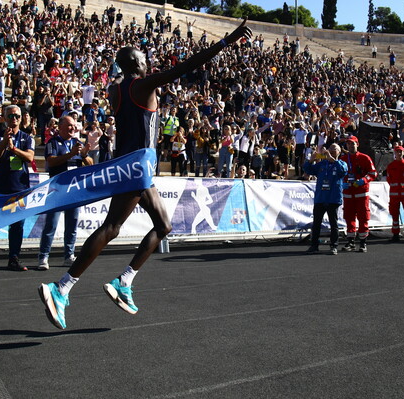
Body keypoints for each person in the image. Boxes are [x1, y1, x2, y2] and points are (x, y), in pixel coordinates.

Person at [39, 19, 252, 330]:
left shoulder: (116, 90)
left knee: (164, 225)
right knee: (111, 226)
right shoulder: (142, 85)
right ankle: (62, 287)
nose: (148, 59)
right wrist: (225, 42)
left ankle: (124, 281)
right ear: (136, 63)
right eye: (143, 57)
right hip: (136, 166)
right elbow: (185, 68)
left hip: (134, 165)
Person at [0, 105, 35, 273]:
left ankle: (14, 259)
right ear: (4, 117)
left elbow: (30, 157)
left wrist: (14, 149)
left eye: (17, 116)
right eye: (10, 116)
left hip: (19, 188)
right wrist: (4, 142)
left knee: (17, 226)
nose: (14, 119)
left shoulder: (26, 137)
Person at [37, 116, 90, 271]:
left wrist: (85, 155)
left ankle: (69, 255)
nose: (72, 129)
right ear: (60, 126)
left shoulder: (77, 144)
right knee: (51, 224)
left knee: (72, 224)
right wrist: (70, 154)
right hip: (57, 190)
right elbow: (51, 162)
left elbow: (91, 165)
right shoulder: (52, 143)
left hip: (74, 191)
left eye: (74, 126)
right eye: (69, 126)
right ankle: (44, 256)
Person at [303, 144, 348, 255]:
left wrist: (333, 160)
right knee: (316, 223)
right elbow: (307, 170)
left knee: (334, 223)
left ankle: (334, 246)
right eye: (330, 149)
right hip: (321, 198)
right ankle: (314, 245)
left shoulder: (342, 163)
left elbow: (342, 172)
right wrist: (311, 160)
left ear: (339, 152)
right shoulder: (322, 164)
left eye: (334, 149)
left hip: (333, 198)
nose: (332, 151)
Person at [340, 136, 377, 252]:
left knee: (363, 217)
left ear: (357, 144)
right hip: (348, 193)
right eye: (348, 144)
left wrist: (363, 180)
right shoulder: (343, 159)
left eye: (353, 144)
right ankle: (350, 241)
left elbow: (373, 173)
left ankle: (363, 242)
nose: (351, 146)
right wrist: (342, 183)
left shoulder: (365, 158)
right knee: (349, 217)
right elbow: (338, 175)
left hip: (361, 193)